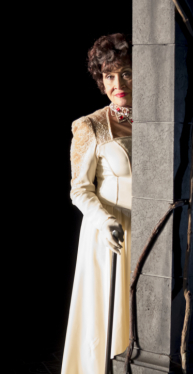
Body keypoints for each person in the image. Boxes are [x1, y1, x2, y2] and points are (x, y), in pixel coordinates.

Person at [62, 33, 133, 374]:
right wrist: (104, 220)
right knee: (107, 322)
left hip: (154, 232)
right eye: (109, 75)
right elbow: (79, 189)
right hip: (110, 235)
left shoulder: (163, 122)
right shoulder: (90, 126)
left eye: (126, 72)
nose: (117, 83)